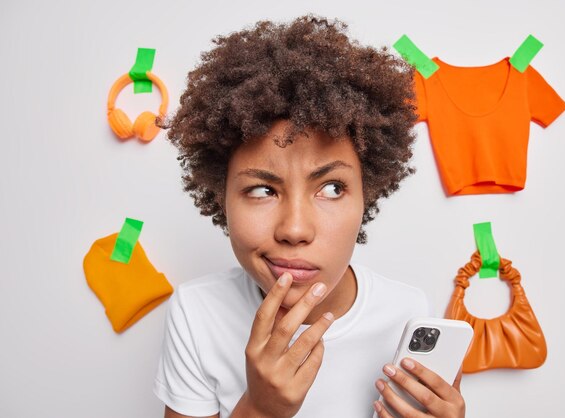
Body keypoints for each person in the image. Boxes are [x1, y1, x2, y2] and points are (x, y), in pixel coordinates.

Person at [153, 15, 466, 418]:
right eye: (262, 190)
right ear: (221, 196)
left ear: (366, 195)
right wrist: (260, 409)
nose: (295, 230)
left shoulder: (407, 312)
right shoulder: (198, 313)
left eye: (331, 189)